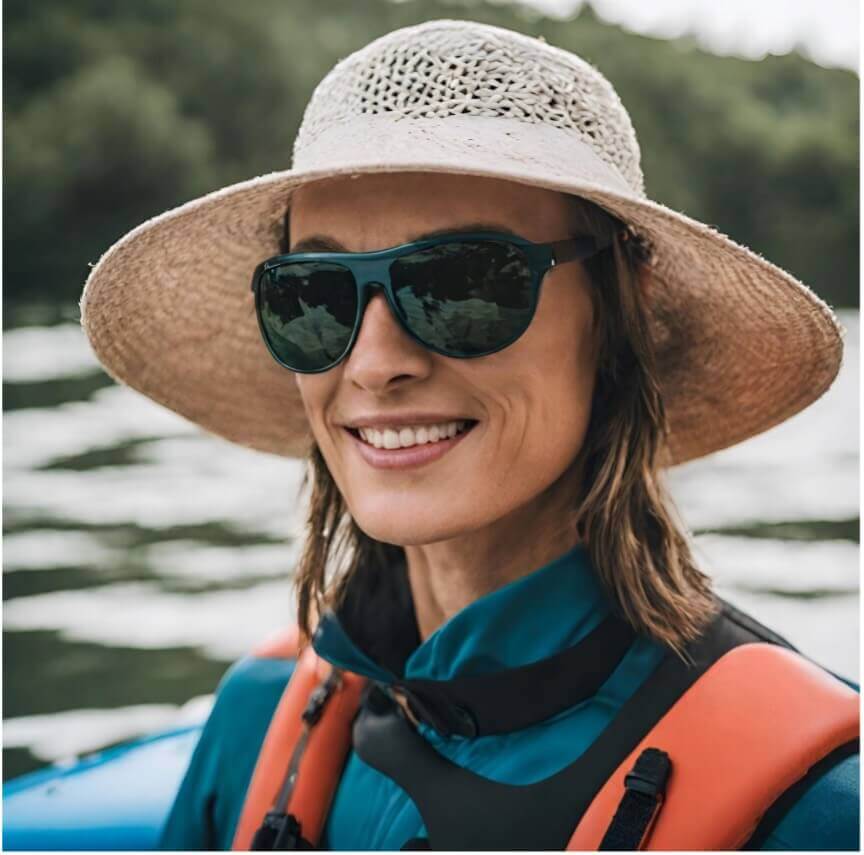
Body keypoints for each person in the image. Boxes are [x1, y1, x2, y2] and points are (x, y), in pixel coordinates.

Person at [79, 18, 859, 851]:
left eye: (463, 284)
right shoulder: (254, 719)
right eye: (315, 295)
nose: (374, 364)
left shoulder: (817, 807)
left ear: (614, 322)